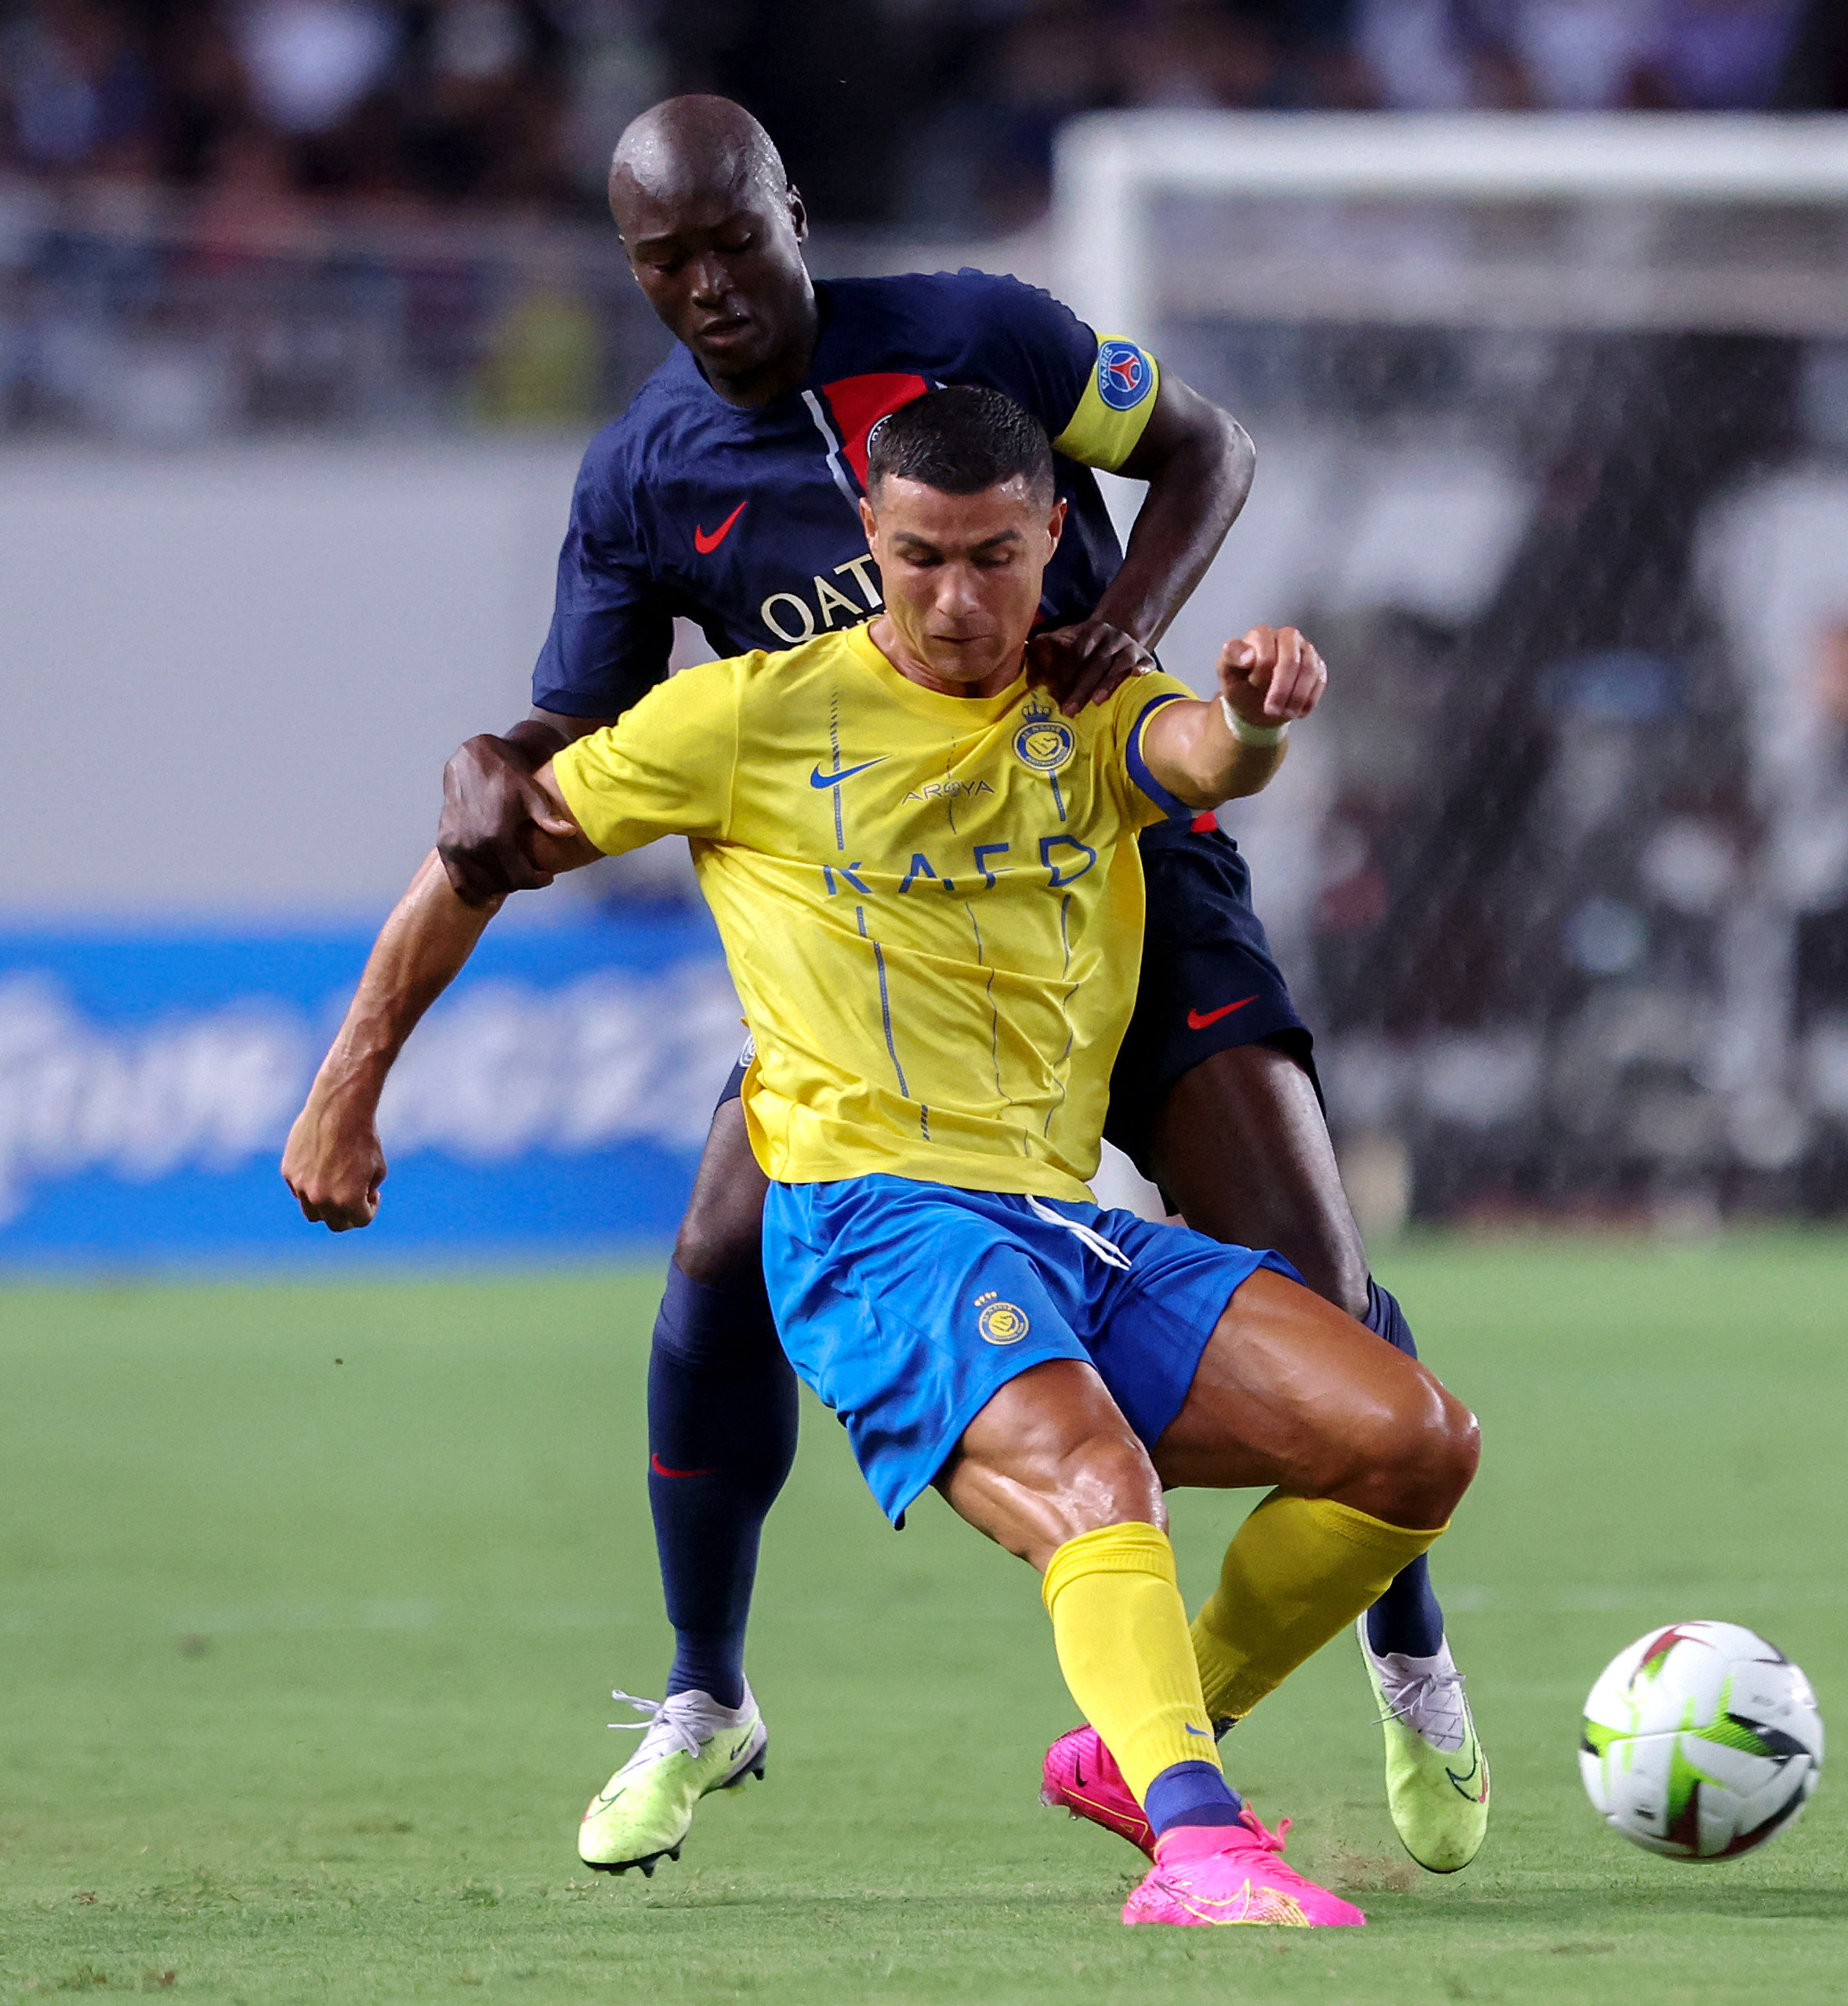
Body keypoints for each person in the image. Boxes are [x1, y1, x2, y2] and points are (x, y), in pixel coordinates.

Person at [282, 96, 1487, 1875]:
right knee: (718, 1241)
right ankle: (709, 1688)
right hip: (894, 956)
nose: (706, 287)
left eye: (732, 241)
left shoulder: (975, 332)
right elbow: (588, 733)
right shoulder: (645, 478)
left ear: (794, 208)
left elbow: (1209, 448)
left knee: (1324, 1288)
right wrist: (493, 754)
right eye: (663, 261)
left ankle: (1407, 1651)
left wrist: (1125, 623)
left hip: (1129, 855)